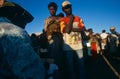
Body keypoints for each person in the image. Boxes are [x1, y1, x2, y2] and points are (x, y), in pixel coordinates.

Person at [60, 1, 86, 79]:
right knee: (70, 67)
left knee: (81, 66)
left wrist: (72, 29)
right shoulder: (62, 20)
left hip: (78, 46)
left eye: (69, 7)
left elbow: (83, 28)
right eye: (66, 8)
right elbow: (66, 30)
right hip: (68, 48)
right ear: (63, 10)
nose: (68, 9)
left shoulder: (78, 18)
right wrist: (71, 19)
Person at [43, 2, 67, 79]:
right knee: (51, 58)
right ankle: (52, 75)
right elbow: (45, 30)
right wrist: (47, 39)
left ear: (56, 9)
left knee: (60, 58)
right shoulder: (46, 19)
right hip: (50, 40)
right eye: (50, 9)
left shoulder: (60, 19)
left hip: (59, 39)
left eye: (53, 9)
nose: (52, 11)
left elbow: (63, 30)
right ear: (48, 10)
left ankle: (61, 74)